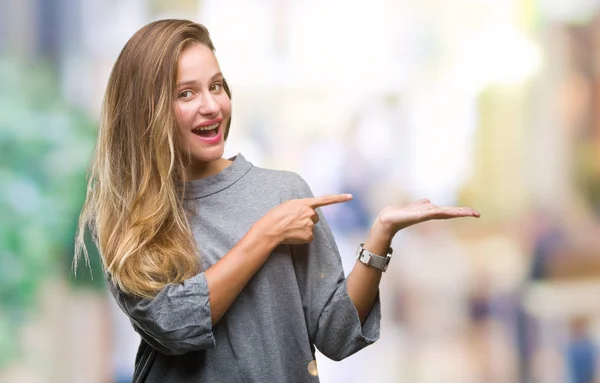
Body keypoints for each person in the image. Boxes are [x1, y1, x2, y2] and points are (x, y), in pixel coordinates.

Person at [74, 19, 480, 383]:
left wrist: (380, 237)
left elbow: (337, 335)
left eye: (216, 86)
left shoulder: (283, 192)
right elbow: (174, 327)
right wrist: (264, 235)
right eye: (186, 93)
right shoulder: (130, 215)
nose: (212, 105)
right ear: (147, 109)